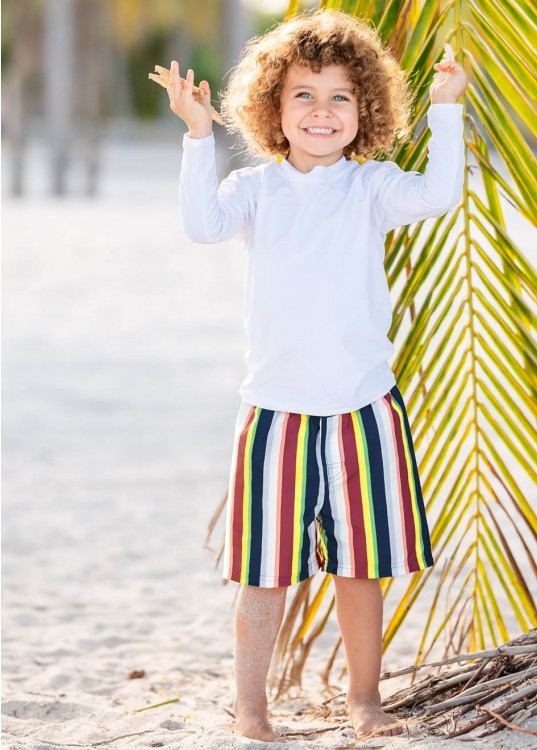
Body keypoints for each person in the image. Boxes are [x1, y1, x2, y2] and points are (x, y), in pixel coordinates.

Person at [167, 8, 468, 743]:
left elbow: (439, 195)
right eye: (303, 94)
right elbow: (200, 224)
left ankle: (364, 700)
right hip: (274, 413)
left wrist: (446, 112)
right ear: (272, 106)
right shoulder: (255, 191)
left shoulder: (372, 187)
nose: (321, 111)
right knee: (264, 575)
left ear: (364, 108)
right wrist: (199, 134)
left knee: (360, 568)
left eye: (339, 96)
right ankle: (252, 707)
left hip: (365, 409)